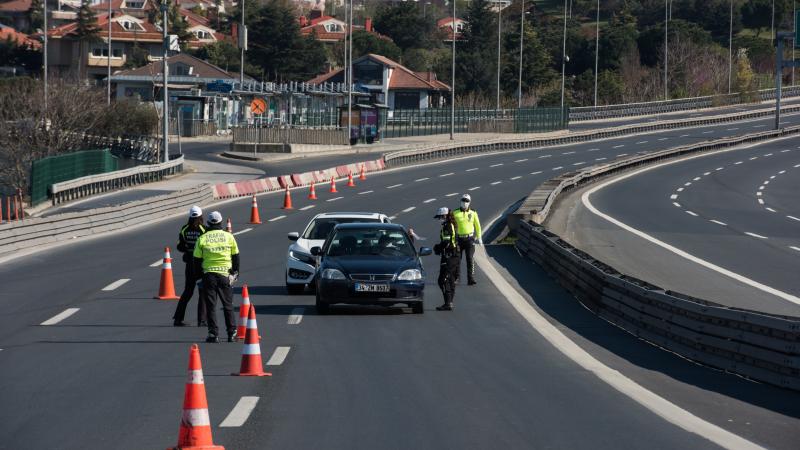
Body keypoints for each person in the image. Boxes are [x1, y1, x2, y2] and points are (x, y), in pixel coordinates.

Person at [193, 211, 240, 343]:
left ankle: (213, 334)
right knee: (228, 305)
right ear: (220, 222)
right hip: (225, 275)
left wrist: (199, 277)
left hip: (209, 276)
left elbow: (196, 260)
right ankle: (232, 333)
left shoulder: (202, 238)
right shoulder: (229, 236)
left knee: (211, 306)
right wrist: (235, 273)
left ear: (208, 223)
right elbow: (236, 256)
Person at [173, 206, 207, 327]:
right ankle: (201, 320)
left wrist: (188, 250)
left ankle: (178, 318)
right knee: (202, 292)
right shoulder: (204, 230)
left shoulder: (184, 229)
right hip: (201, 265)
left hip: (189, 265)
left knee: (188, 291)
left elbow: (179, 246)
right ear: (200, 216)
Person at [452, 193, 482, 285]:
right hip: (459, 239)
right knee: (457, 259)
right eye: (463, 200)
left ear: (470, 202)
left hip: (469, 238)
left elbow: (477, 225)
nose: (464, 203)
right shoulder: (455, 212)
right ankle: (456, 278)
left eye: (467, 201)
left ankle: (471, 278)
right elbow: (451, 227)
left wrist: (479, 237)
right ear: (460, 201)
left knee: (470, 258)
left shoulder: (473, 212)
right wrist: (452, 239)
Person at [433, 208, 460, 311]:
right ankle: (450, 302)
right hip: (454, 256)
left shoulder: (447, 226)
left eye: (440, 217)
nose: (439, 220)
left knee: (442, 280)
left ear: (444, 216)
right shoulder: (451, 225)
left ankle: (448, 303)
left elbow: (447, 242)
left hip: (449, 257)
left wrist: (437, 247)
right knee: (451, 279)